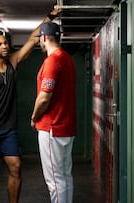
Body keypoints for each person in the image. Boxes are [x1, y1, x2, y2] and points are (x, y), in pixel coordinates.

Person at [0, 6, 61, 203]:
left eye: (5, 43)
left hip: (7, 130)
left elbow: (32, 39)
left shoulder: (13, 62)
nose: (4, 46)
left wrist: (49, 17)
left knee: (15, 166)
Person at [30, 22, 77, 203]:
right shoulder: (67, 59)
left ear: (44, 38)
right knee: (65, 176)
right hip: (66, 126)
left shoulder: (52, 61)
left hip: (52, 127)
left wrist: (34, 117)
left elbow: (44, 98)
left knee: (55, 180)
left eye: (40, 40)